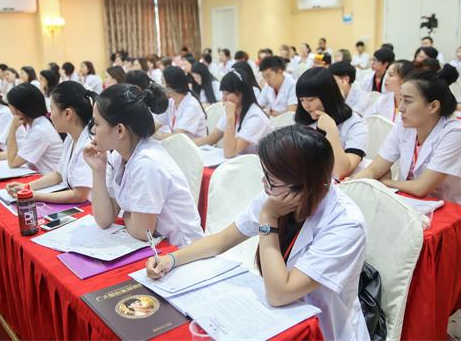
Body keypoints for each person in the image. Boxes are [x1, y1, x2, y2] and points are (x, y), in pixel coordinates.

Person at [146, 125, 369, 341]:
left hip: (320, 329)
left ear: (305, 185)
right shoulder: (279, 195)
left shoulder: (345, 224)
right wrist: (171, 259)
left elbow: (280, 293)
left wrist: (268, 219)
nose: (264, 183)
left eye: (271, 178)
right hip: (279, 317)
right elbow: (221, 240)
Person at [83, 83, 204, 247]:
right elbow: (104, 220)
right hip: (157, 246)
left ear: (120, 130)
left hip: (182, 249)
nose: (93, 130)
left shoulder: (146, 163)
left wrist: (126, 214)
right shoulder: (119, 156)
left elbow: (142, 232)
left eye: (97, 124)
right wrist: (98, 170)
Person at [353, 69, 461, 209]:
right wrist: (351, 184)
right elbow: (374, 169)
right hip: (413, 204)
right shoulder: (404, 125)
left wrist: (386, 183)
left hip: (457, 208)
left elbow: (421, 188)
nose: (401, 108)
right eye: (401, 99)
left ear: (433, 106)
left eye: (408, 101)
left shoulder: (456, 133)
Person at [7, 82, 94, 203]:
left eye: (52, 109)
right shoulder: (70, 138)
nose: (50, 115)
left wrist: (34, 195)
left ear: (67, 113)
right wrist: (27, 187)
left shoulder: (88, 144)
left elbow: (79, 195)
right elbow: (58, 174)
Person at [295, 67, 368, 179]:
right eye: (301, 100)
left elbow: (341, 172)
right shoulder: (304, 121)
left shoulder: (355, 124)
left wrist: (331, 131)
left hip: (345, 186)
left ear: (327, 96)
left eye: (310, 99)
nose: (306, 106)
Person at [0, 83, 62, 170]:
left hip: (48, 176)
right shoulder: (35, 123)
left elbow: (12, 162)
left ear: (19, 109)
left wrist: (13, 128)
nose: (8, 107)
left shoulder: (39, 131)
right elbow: (19, 154)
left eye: (9, 105)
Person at [195, 69, 271, 157]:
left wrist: (231, 119)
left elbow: (229, 153)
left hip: (256, 163)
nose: (223, 98)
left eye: (227, 93)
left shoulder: (256, 117)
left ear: (242, 93)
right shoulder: (234, 110)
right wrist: (186, 144)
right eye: (223, 93)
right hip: (239, 161)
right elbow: (211, 139)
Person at [155, 66, 207, 140]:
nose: (161, 86)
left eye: (163, 82)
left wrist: (156, 135)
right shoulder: (171, 102)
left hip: (195, 146)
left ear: (172, 85)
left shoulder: (191, 106)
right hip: (179, 145)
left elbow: (177, 136)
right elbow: (157, 123)